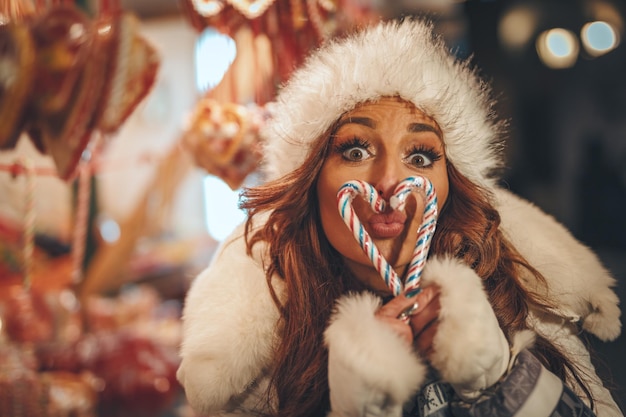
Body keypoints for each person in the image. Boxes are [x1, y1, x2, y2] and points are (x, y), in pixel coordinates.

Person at [177, 18, 623, 417]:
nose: (390, 180)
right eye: (355, 150)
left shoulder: (519, 295)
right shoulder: (263, 347)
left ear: (451, 182)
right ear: (310, 180)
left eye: (421, 155)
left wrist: (499, 378)